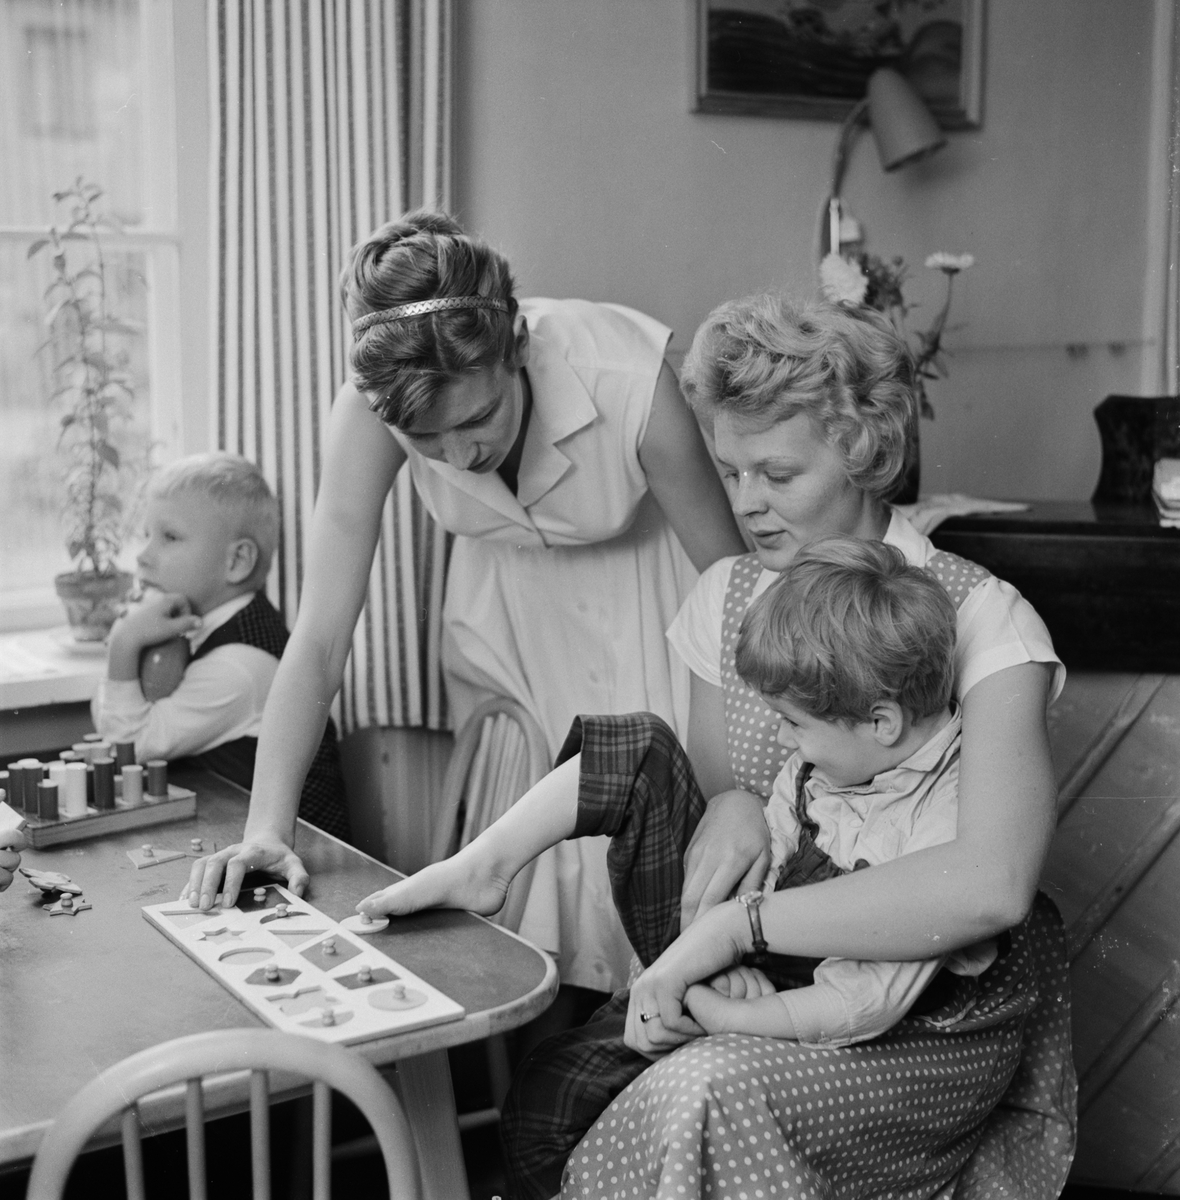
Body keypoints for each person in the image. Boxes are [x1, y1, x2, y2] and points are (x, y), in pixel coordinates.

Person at [487, 293, 1072, 1200]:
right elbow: (726, 789)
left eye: (779, 474)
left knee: (698, 1092)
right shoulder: (729, 595)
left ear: (866, 450)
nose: (747, 506)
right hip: (775, 965)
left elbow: (989, 885)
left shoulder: (982, 615)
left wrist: (742, 926)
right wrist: (726, 808)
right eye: (730, 473)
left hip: (931, 1010)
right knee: (553, 1096)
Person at [181, 211, 747, 996]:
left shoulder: (625, 375)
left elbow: (735, 588)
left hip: (657, 604)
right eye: (427, 443)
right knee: (532, 905)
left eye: (477, 419)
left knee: (668, 884)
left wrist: (738, 795)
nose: (460, 457)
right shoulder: (374, 410)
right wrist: (267, 830)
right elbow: (316, 638)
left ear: (517, 343)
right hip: (511, 624)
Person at [361, 536, 1024, 1056]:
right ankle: (485, 866)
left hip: (786, 991)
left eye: (796, 726)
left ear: (882, 722)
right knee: (643, 743)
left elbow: (863, 999)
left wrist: (726, 1012)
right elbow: (772, 850)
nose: (789, 745)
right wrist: (714, 943)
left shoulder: (946, 816)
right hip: (732, 939)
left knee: (569, 1078)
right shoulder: (832, 765)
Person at [93, 453, 348, 839]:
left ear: (238, 561)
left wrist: (124, 643)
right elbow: (117, 722)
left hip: (304, 862)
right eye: (147, 535)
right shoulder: (191, 630)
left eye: (170, 537)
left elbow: (128, 749)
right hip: (224, 836)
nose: (143, 557)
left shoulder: (240, 665)